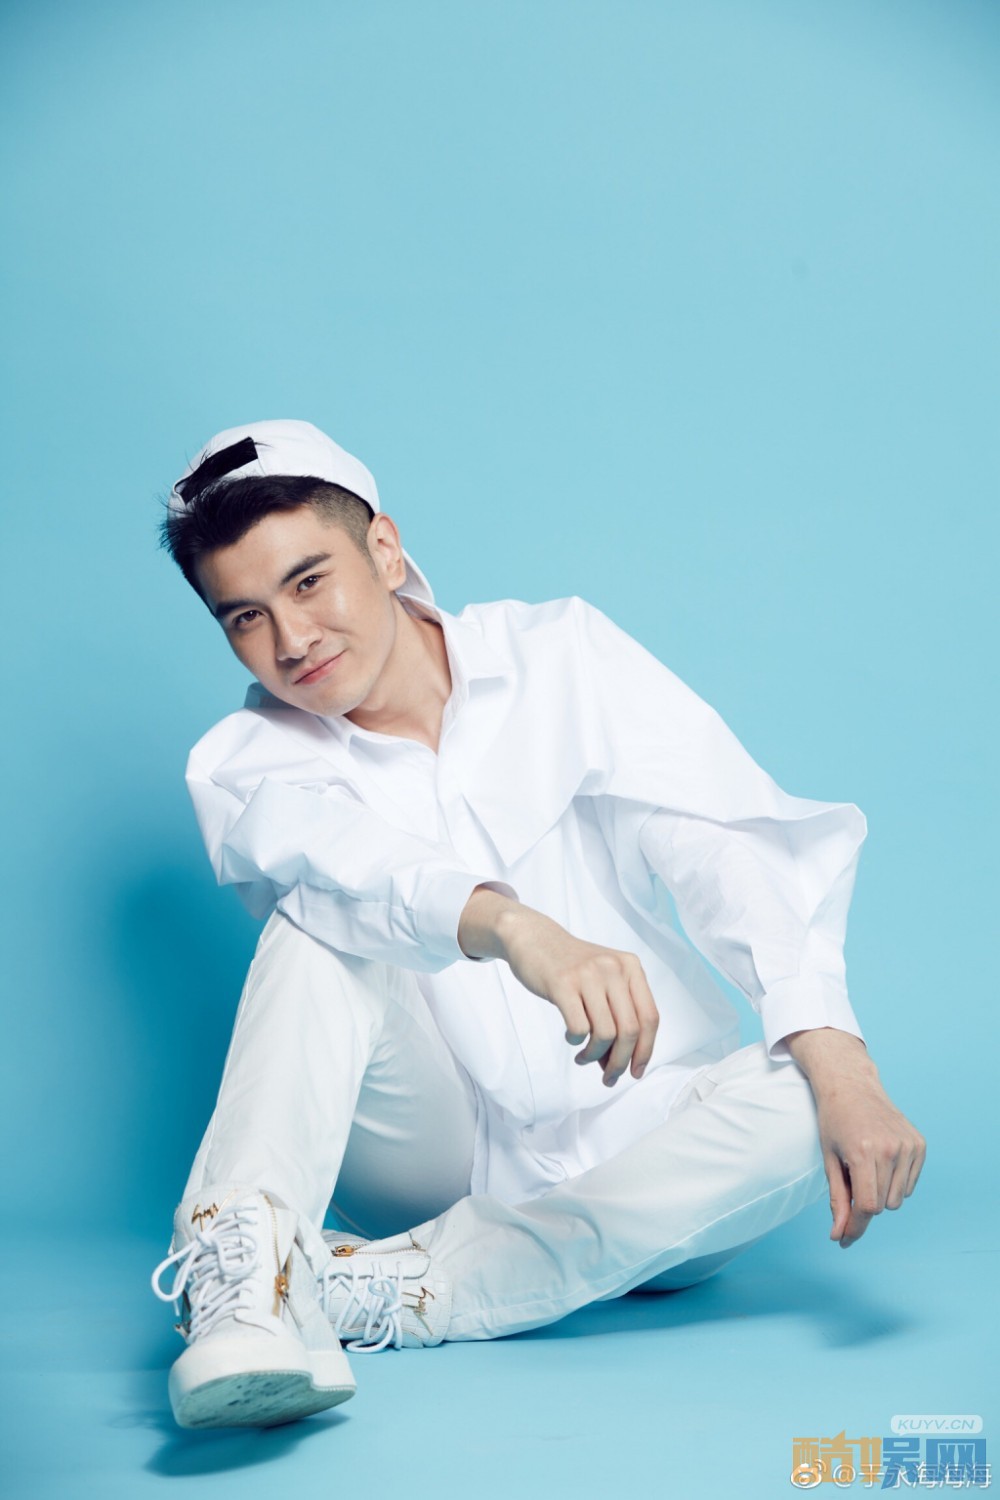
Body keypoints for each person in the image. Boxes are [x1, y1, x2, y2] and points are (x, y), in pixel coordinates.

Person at [151, 418, 925, 1430]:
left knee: (805, 1101)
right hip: (435, 1163)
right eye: (245, 617)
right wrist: (516, 929)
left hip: (657, 1148)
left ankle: (383, 1290)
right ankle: (246, 1293)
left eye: (309, 582)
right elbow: (357, 871)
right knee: (316, 926)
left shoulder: (562, 655)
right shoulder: (242, 761)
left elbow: (720, 846)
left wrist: (846, 1069)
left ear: (385, 549)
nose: (291, 641)